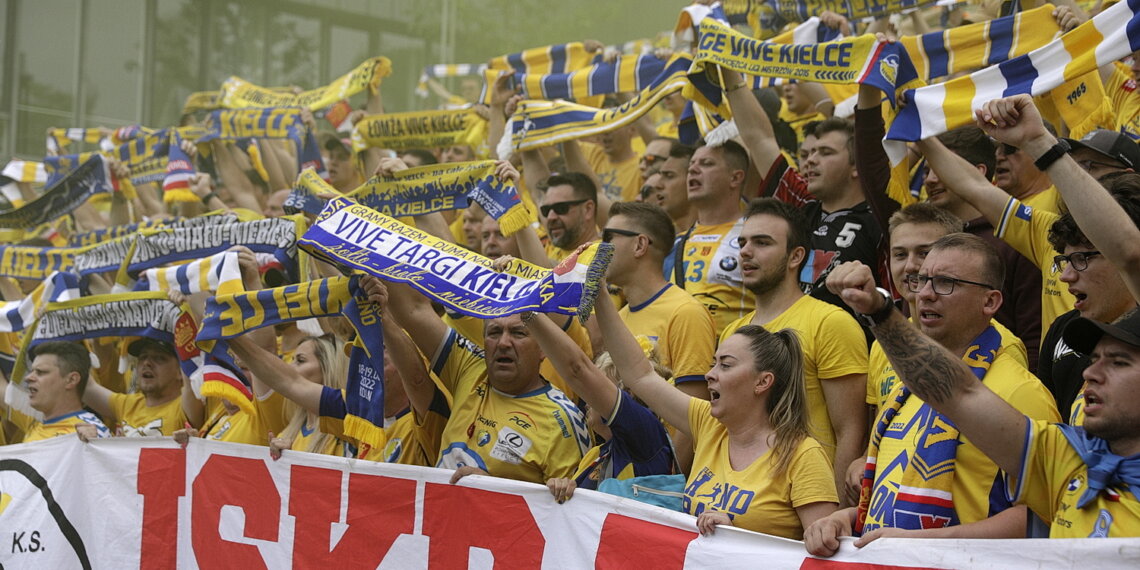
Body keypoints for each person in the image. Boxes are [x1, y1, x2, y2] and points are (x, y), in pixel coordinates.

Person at [827, 253, 1140, 537]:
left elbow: (1128, 249)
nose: (1090, 374)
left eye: (1119, 363)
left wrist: (920, 545)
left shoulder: (1022, 392)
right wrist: (878, 312)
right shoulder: (1066, 457)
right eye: (1094, 360)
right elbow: (958, 393)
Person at [807, 234, 1059, 556]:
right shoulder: (911, 382)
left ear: (990, 302)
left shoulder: (1022, 391)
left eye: (946, 283)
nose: (924, 294)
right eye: (920, 280)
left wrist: (923, 543)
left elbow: (1042, 516)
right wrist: (844, 520)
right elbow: (894, 492)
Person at [593, 282, 837, 538]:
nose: (709, 374)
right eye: (713, 363)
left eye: (726, 365)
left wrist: (738, 536)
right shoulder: (708, 424)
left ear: (763, 382)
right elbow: (639, 374)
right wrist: (600, 296)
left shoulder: (803, 455)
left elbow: (820, 555)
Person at [721, 198, 868, 498]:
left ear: (795, 256)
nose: (746, 251)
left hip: (807, 508)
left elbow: (851, 431)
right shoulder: (732, 332)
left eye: (762, 243)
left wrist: (835, 515)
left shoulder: (830, 322)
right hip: (740, 502)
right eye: (742, 242)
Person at [381, 278, 590, 484]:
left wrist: (490, 490)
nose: (503, 343)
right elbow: (414, 310)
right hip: (437, 515)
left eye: (518, 333)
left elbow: (571, 512)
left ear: (544, 348)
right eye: (494, 332)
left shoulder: (563, 421)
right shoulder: (469, 367)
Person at [727, 68, 884, 318]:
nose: (810, 160)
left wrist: (871, 69)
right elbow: (759, 138)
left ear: (858, 165)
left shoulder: (882, 218)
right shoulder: (801, 207)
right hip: (791, 344)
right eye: (810, 153)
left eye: (826, 153)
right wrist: (730, 75)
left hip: (849, 348)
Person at [528, 312, 676, 498]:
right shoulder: (596, 454)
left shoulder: (645, 436)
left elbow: (577, 370)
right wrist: (564, 487)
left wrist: (527, 312)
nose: (588, 397)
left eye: (598, 391)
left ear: (628, 396)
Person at [668, 140, 754, 332]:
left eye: (706, 164)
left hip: (731, 356)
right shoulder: (675, 243)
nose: (693, 170)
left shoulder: (754, 237)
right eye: (691, 165)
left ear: (735, 178)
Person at [229, 334, 357, 457]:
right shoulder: (288, 432)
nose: (290, 367)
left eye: (300, 361)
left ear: (329, 369)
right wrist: (284, 462)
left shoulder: (350, 423)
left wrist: (229, 333)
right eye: (292, 360)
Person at [0, 341, 108, 443]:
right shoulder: (33, 420)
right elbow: (2, 389)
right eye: (32, 371)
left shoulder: (91, 433)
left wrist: (93, 445)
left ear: (71, 380)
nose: (28, 378)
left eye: (41, 372)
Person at [84, 338, 192, 437]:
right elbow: (86, 387)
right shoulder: (128, 405)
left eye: (159, 358)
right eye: (143, 357)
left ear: (180, 371)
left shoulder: (186, 407)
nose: (147, 363)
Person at [542, 172, 600, 262]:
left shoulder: (601, 258)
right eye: (546, 210)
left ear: (588, 209)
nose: (550, 217)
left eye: (561, 208)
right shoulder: (556, 248)